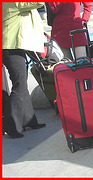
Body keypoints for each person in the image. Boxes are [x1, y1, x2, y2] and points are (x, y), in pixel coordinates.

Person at [2, 3, 46, 138]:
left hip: (15, 46)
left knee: (22, 83)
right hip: (10, 46)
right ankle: (11, 126)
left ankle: (28, 119)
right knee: (19, 85)